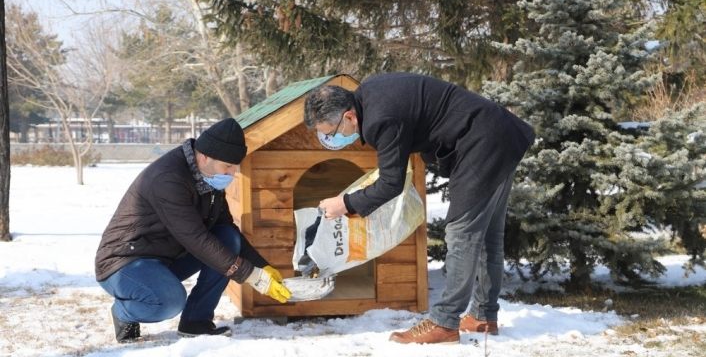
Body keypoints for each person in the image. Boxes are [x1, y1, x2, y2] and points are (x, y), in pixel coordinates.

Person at [304, 73, 534, 344]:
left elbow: (391, 183)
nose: (332, 139)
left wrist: (345, 203)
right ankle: (483, 316)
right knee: (486, 236)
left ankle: (444, 322)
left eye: (331, 133)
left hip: (482, 143)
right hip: (500, 134)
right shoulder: (371, 95)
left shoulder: (380, 119)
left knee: (461, 233)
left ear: (350, 117)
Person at [95, 118, 291, 343]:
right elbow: (195, 238)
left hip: (168, 256)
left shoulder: (208, 177)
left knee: (228, 238)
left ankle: (196, 322)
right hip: (126, 262)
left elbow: (224, 226)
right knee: (169, 302)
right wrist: (250, 275)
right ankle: (123, 312)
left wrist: (261, 265)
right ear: (204, 156)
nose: (232, 173)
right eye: (227, 166)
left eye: (235, 167)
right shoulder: (168, 179)